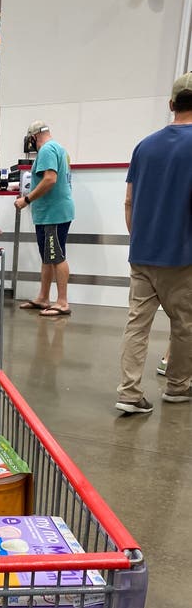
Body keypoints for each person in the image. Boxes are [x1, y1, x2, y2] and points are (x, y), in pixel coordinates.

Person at [114, 72, 192, 415]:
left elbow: (129, 201)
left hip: (143, 254)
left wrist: (139, 238)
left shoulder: (144, 146)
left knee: (137, 325)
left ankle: (129, 392)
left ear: (171, 104)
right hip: (183, 256)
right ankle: (177, 387)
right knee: (185, 325)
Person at [14, 120, 75, 317]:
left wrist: (27, 199)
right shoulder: (59, 148)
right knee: (48, 257)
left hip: (53, 214)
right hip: (51, 212)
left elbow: (50, 179)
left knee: (56, 256)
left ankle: (62, 302)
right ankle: (43, 297)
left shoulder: (47, 150)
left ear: (33, 137)